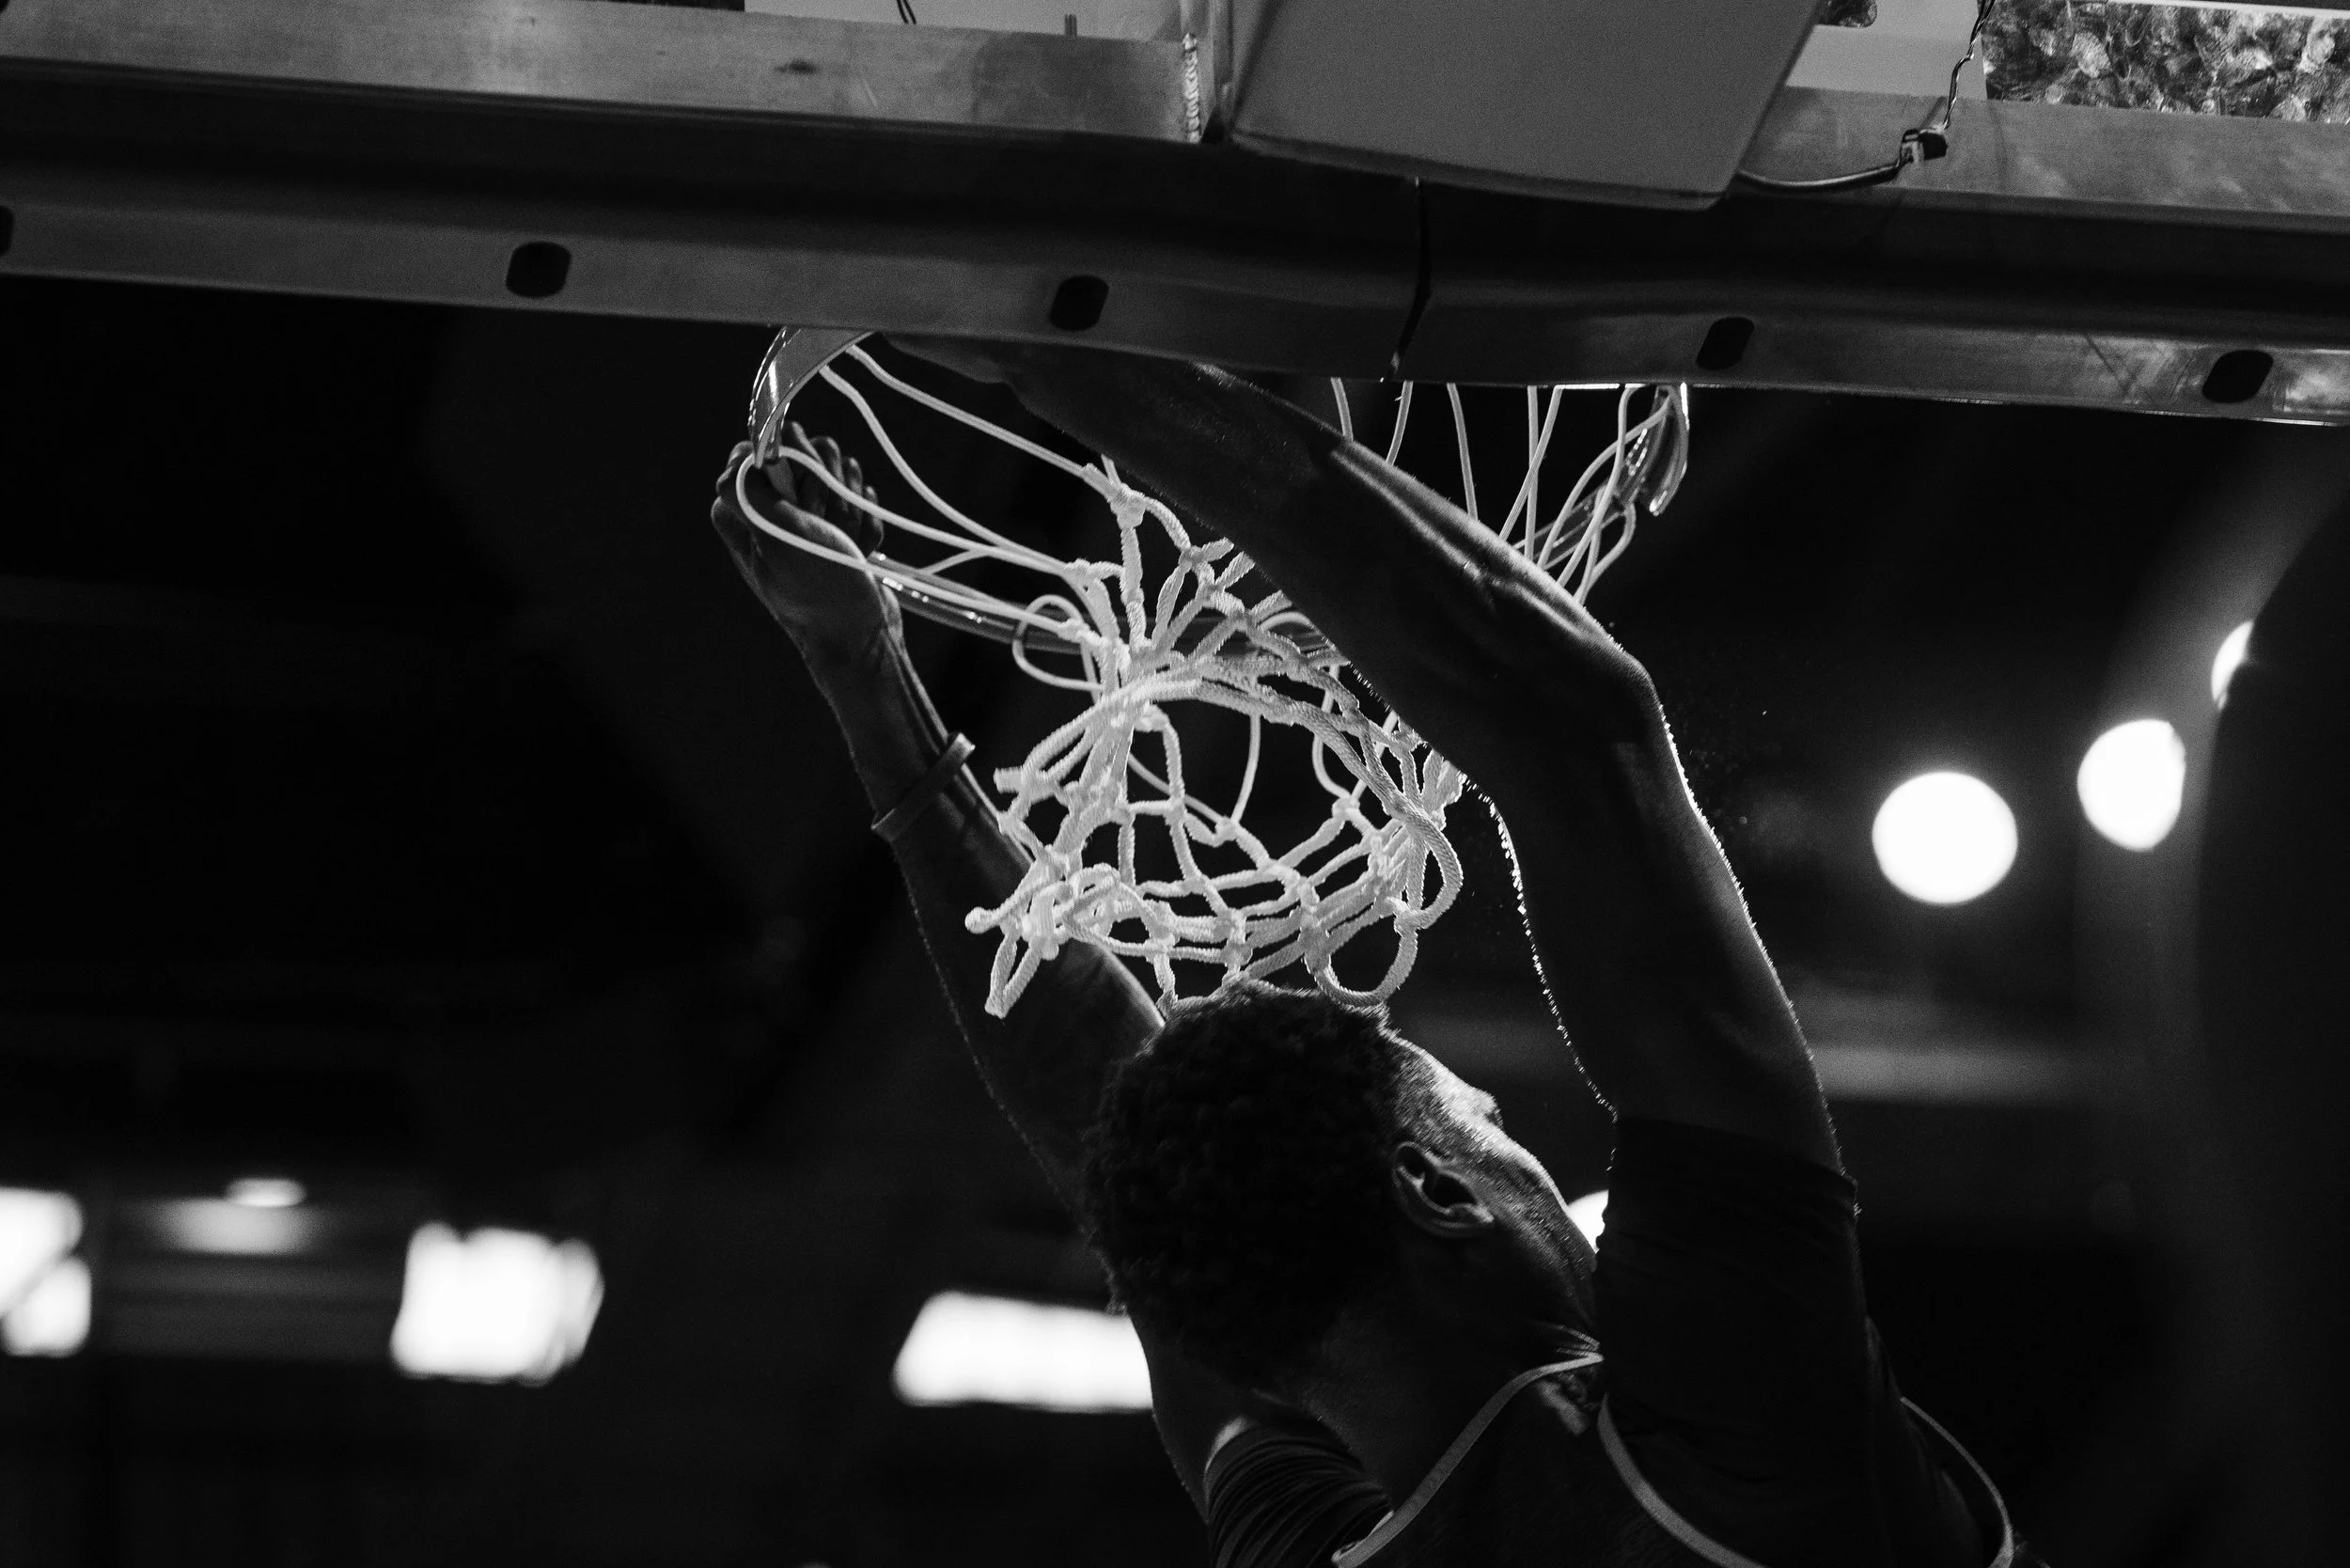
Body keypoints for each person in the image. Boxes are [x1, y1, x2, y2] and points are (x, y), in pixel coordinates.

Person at [708, 343, 2028, 1568]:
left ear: (1433, 1196)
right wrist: (1062, 355)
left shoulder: (1354, 1516)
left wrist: (869, 662)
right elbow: (1575, 725)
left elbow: (1104, 1117)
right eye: (1488, 1123)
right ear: (1439, 1196)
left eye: (1498, 1128)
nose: (1524, 1155)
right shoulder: (1725, 1463)